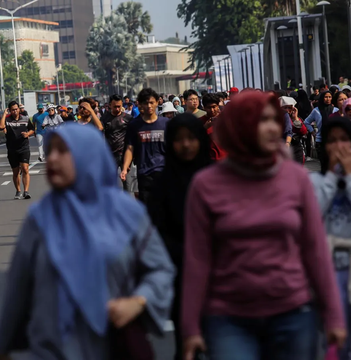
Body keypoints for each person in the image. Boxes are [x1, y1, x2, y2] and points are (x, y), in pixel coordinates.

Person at [181, 91, 347, 360]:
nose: (274, 127)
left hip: (293, 313)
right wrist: (189, 326)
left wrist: (334, 316)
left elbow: (315, 250)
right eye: (262, 120)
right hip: (228, 318)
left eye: (274, 119)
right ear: (239, 126)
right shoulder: (206, 185)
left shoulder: (295, 178)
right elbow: (198, 260)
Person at [0, 123, 175, 360]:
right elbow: (19, 288)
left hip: (112, 345)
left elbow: (160, 269)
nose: (53, 158)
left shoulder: (126, 212)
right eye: (50, 151)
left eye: (63, 151)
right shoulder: (40, 217)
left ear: (88, 156)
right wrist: (2, 347)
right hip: (51, 348)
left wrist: (139, 301)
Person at [147, 113, 211, 360]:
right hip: (179, 275)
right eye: (179, 139)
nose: (186, 145)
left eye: (191, 138)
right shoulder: (163, 185)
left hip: (221, 276)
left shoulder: (218, 179)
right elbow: (155, 232)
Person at [310, 118, 351, 360]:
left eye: (345, 140)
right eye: (332, 141)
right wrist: (331, 180)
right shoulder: (314, 181)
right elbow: (311, 215)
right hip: (327, 270)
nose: (339, 147)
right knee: (334, 341)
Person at [121, 88, 169, 204]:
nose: (149, 106)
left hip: (164, 172)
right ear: (140, 104)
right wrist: (124, 168)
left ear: (157, 102)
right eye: (146, 103)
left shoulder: (166, 123)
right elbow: (130, 148)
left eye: (151, 102)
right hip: (144, 172)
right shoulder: (134, 125)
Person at [0, 101, 34, 200]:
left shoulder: (25, 118)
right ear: (9, 110)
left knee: (25, 168)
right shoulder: (7, 119)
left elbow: (32, 129)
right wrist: (4, 115)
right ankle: (18, 191)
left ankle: (26, 191)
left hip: (24, 147)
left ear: (19, 109)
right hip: (12, 148)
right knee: (16, 172)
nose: (15, 111)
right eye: (12, 110)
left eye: (16, 109)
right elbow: (1, 127)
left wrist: (27, 134)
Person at [101, 94, 134, 191]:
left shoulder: (128, 118)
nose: (117, 108)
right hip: (110, 155)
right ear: (110, 105)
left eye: (119, 106)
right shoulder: (104, 118)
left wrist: (132, 158)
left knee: (127, 185)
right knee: (111, 185)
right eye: (115, 106)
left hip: (125, 154)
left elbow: (133, 137)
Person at [305, 91, 339, 172]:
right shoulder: (316, 111)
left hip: (333, 141)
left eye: (330, 97)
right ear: (322, 98)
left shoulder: (336, 110)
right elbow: (306, 122)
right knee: (324, 165)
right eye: (326, 97)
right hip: (320, 141)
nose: (328, 99)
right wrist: (312, 132)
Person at [200, 93, 227, 161]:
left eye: (214, 107)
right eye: (209, 108)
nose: (212, 110)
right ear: (204, 107)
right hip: (209, 160)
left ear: (218, 106)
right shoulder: (200, 122)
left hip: (226, 158)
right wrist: (204, 128)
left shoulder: (226, 118)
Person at [281, 96, 307, 164]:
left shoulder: (296, 118)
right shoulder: (279, 119)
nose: (287, 110)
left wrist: (295, 118)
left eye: (289, 107)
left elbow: (304, 131)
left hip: (296, 148)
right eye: (285, 107)